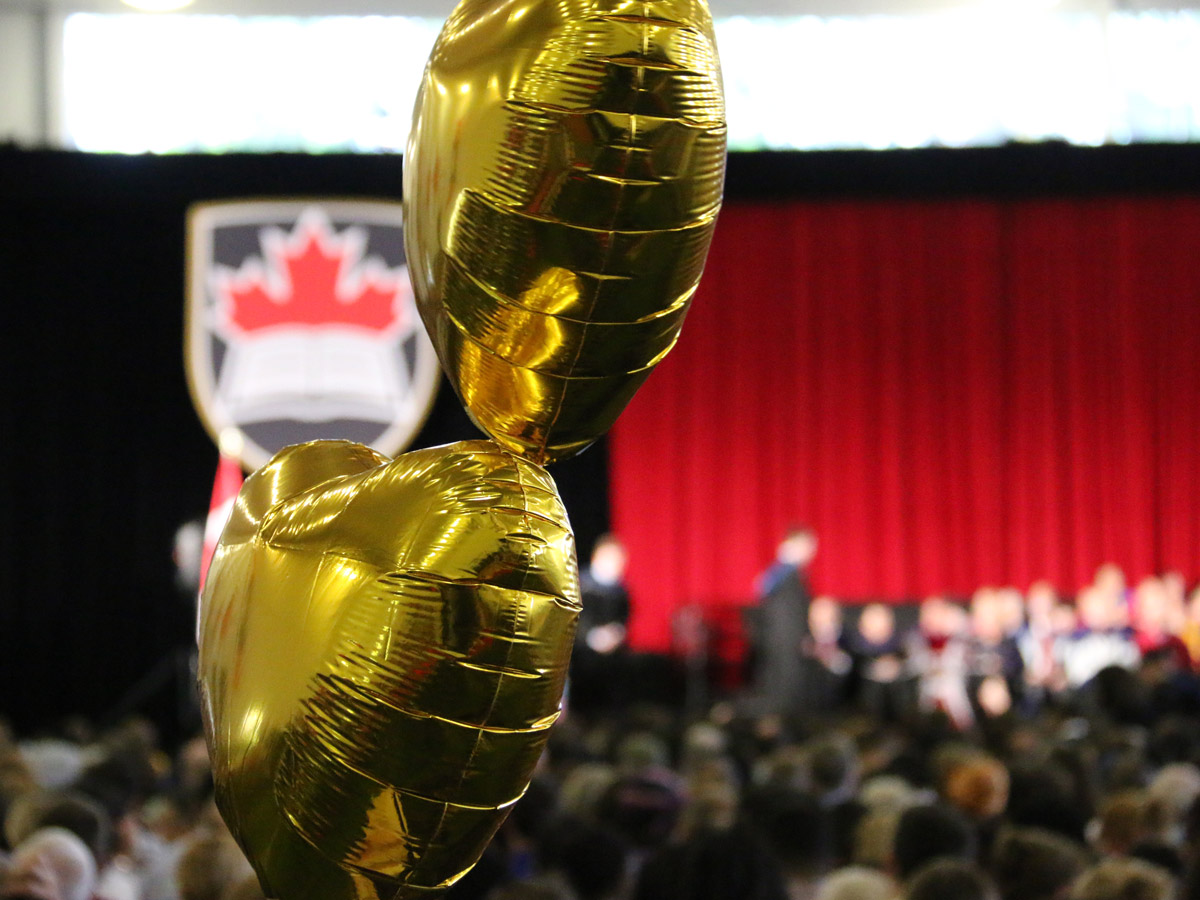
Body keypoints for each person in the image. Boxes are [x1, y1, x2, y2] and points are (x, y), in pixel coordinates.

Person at [754, 526, 818, 716]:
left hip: (790, 637)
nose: (812, 552)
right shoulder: (784, 572)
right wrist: (786, 561)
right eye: (809, 546)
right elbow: (762, 588)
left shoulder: (792, 573)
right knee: (783, 687)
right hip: (783, 637)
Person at [570, 535, 632, 713]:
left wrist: (616, 634)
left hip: (612, 661)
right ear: (598, 556)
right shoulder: (579, 586)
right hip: (581, 659)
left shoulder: (621, 590)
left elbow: (623, 619)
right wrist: (592, 637)